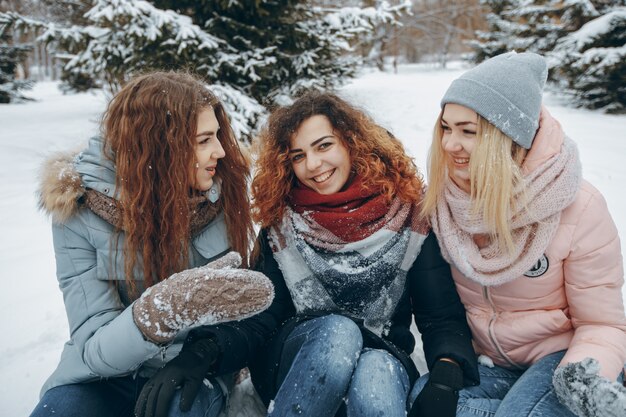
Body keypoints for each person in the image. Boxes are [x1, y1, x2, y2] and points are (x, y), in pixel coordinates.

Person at [31, 71, 280, 417]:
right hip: (104, 377)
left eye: (218, 136)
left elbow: (245, 315)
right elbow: (92, 345)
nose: (221, 151)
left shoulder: (222, 195)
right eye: (204, 139)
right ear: (161, 146)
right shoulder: (80, 210)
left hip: (192, 370)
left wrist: (204, 354)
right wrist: (156, 313)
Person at [412, 51, 626, 417]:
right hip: (489, 361)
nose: (449, 144)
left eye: (468, 131)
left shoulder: (577, 207)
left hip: (561, 359)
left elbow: (602, 323)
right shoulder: (441, 202)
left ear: (507, 136)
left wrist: (579, 378)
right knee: (423, 399)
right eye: (446, 128)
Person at [248, 91, 480, 417]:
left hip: (383, 354)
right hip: (297, 362)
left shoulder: (408, 217)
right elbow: (262, 315)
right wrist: (206, 351)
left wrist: (447, 369)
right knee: (339, 332)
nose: (312, 165)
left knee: (375, 372)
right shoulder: (283, 223)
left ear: (351, 143)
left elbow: (439, 314)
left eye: (324, 145)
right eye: (298, 156)